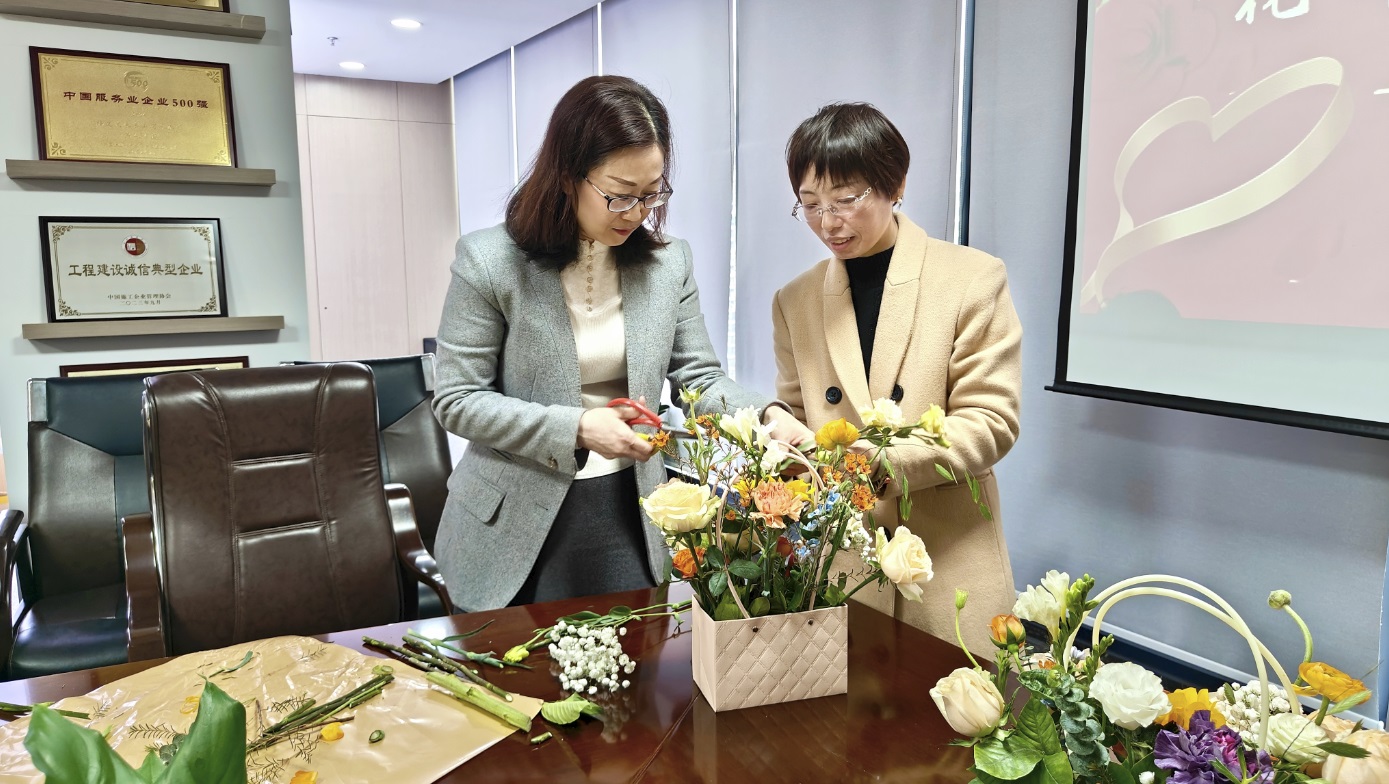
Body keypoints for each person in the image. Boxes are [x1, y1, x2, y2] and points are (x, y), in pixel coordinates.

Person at [433, 75, 813, 611]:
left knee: (640, 657)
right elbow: (458, 399)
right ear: (568, 176)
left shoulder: (668, 264)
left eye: (651, 193)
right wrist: (577, 427)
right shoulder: (489, 261)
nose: (636, 213)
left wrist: (767, 416)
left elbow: (699, 378)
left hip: (632, 509)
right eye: (620, 194)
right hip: (514, 517)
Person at [770, 103, 1022, 653]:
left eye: (845, 199)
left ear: (896, 185)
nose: (828, 223)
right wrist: (777, 432)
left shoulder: (972, 279)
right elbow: (797, 415)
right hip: (843, 567)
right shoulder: (795, 300)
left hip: (947, 562)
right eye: (810, 204)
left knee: (959, 705)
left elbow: (991, 421)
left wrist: (881, 461)